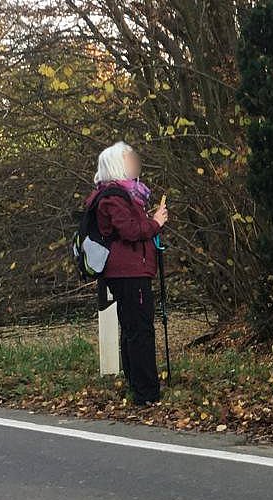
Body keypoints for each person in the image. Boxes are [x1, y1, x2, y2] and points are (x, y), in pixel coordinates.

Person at [86, 142, 168, 405]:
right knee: (140, 330)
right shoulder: (113, 198)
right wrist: (155, 223)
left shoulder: (122, 196)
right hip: (128, 272)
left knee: (133, 328)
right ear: (118, 165)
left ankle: (140, 387)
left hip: (129, 270)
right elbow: (131, 231)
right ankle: (146, 392)